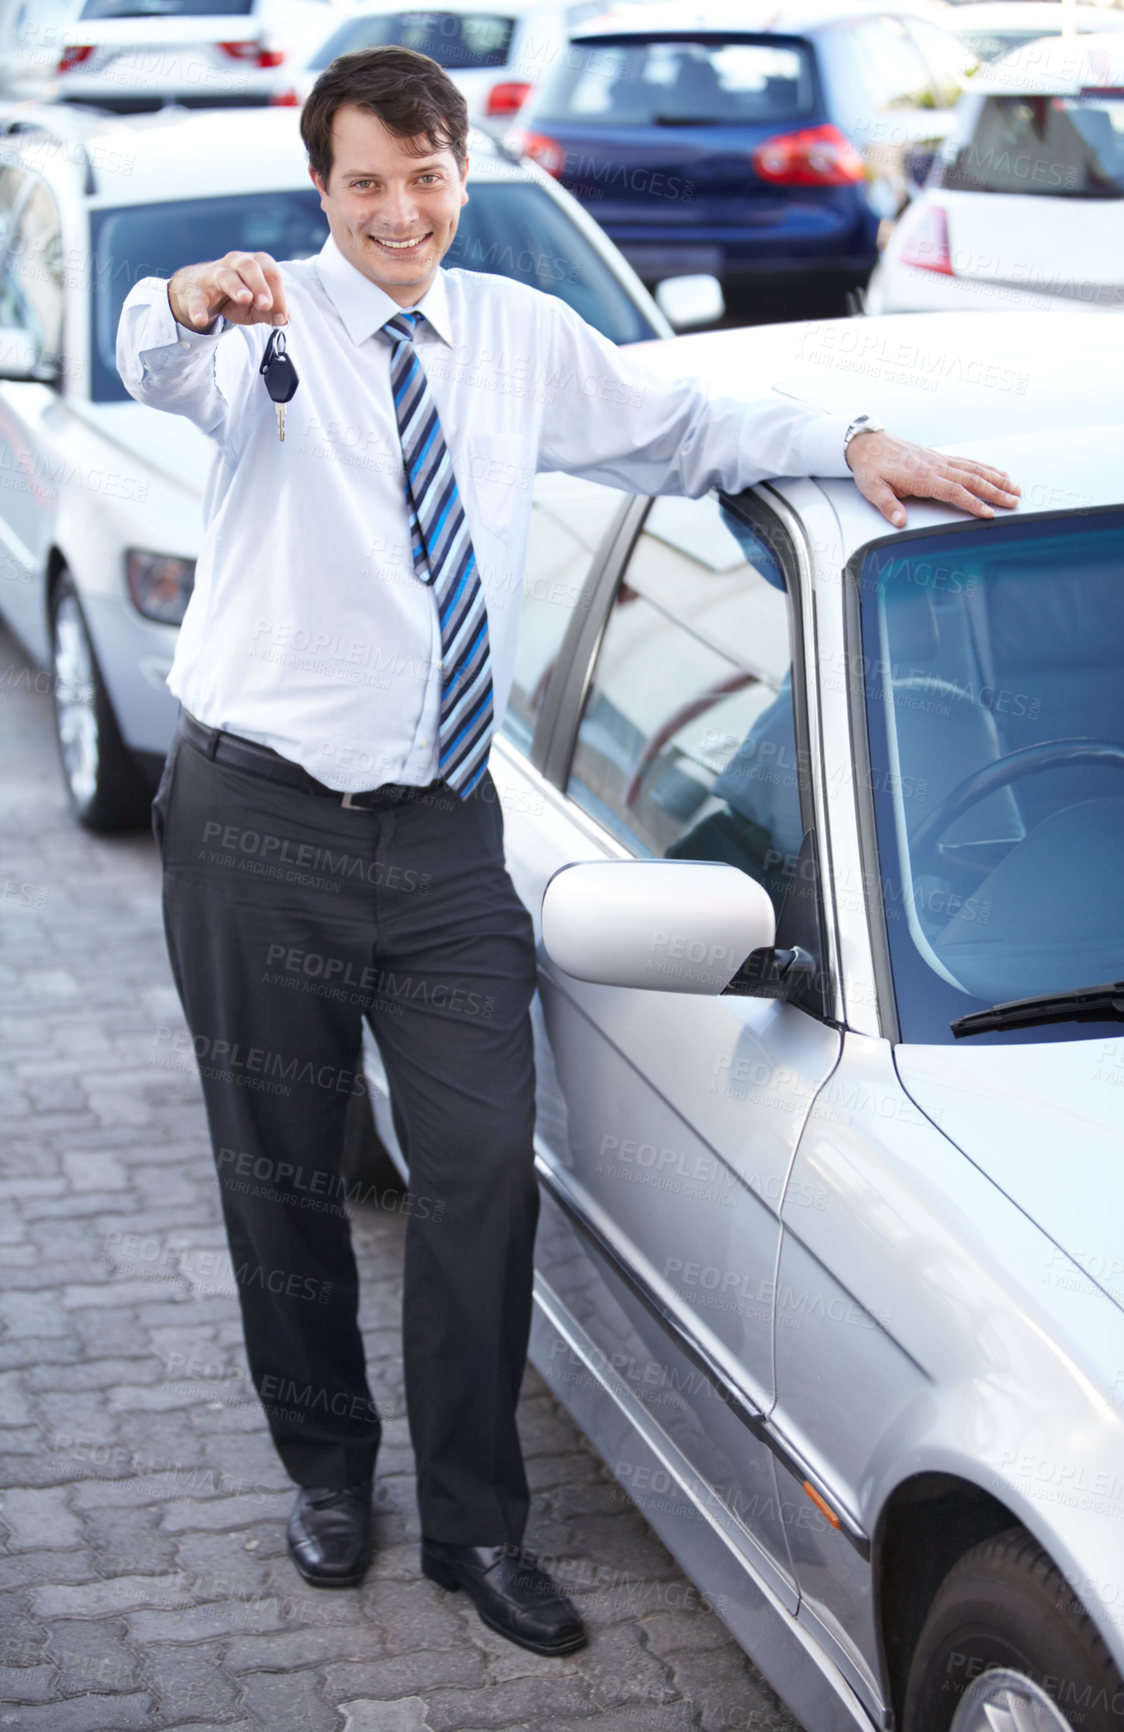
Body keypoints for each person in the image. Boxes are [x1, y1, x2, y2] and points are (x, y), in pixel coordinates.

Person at [116, 45, 1020, 1657]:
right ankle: (328, 1474)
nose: (398, 210)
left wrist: (859, 436)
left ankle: (477, 1530)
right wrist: (194, 293)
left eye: (424, 175)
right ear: (321, 191)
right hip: (259, 827)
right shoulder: (263, 325)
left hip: (447, 840)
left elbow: (688, 419)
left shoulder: (519, 341)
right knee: (285, 1179)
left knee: (476, 1179)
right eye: (364, 184)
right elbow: (151, 352)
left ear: (462, 173)